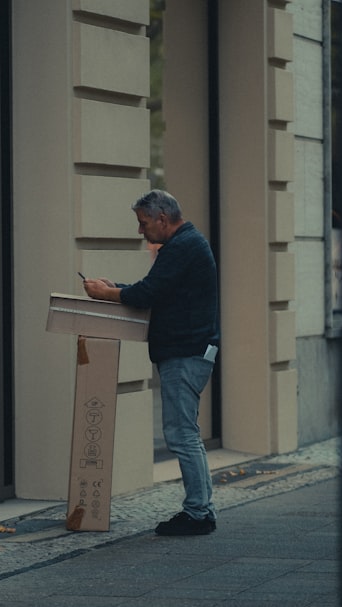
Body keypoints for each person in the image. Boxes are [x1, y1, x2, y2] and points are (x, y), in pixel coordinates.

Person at [82, 189, 220, 536]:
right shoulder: (185, 245)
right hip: (189, 350)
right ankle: (201, 509)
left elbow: (147, 294)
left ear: (162, 218)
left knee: (182, 433)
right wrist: (117, 288)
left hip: (184, 353)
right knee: (185, 432)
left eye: (144, 224)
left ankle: (198, 513)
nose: (141, 231)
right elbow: (156, 289)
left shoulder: (183, 246)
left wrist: (106, 293)